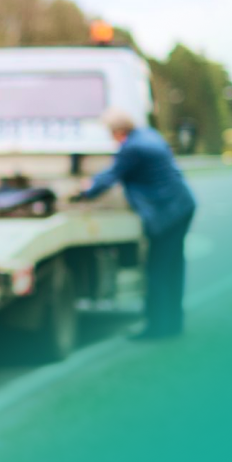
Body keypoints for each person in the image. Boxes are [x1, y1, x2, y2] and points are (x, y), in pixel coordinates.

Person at [71, 108, 196, 341]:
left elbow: (112, 175)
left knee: (157, 270)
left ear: (119, 131)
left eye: (111, 133)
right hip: (181, 206)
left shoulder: (133, 148)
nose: (112, 138)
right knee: (172, 268)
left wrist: (85, 191)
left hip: (167, 212)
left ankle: (157, 327)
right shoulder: (149, 135)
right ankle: (173, 322)